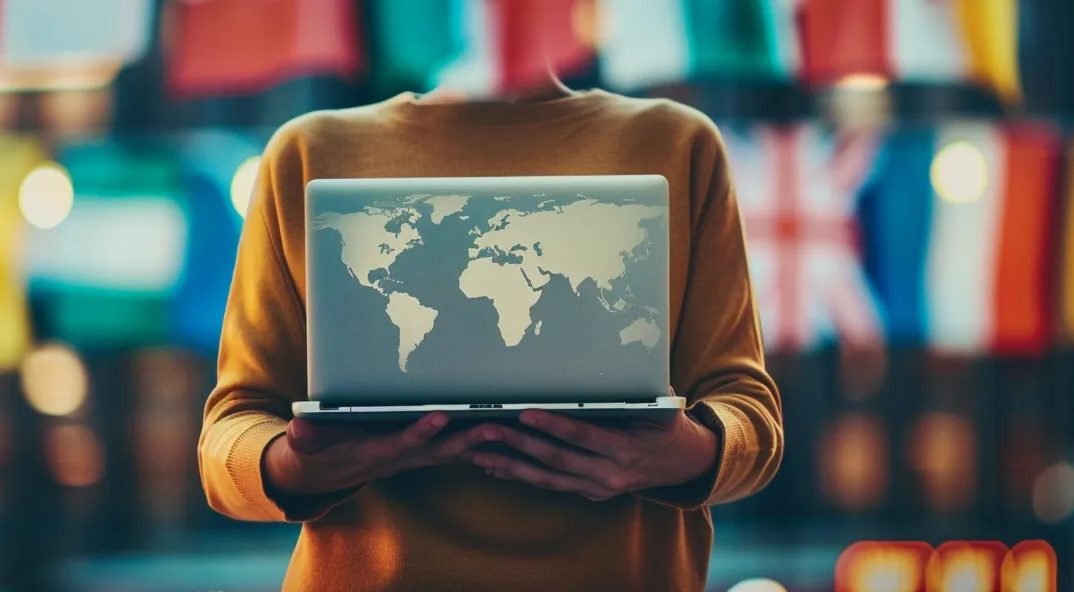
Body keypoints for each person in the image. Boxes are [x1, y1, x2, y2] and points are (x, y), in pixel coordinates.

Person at [198, 75, 783, 591]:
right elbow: (232, 429)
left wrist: (687, 454)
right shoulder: (306, 152)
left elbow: (750, 412)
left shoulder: (681, 144)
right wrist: (293, 468)